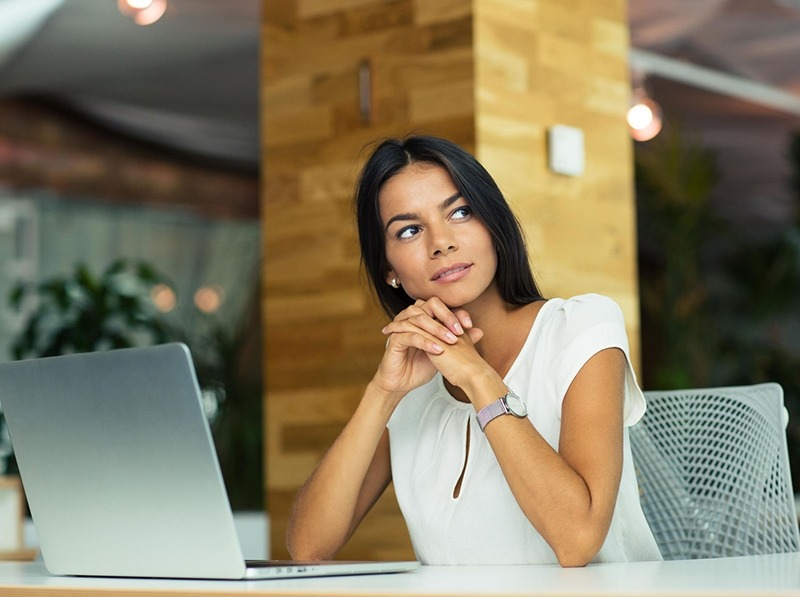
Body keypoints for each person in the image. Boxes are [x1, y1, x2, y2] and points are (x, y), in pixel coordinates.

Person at [286, 135, 662, 567]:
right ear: (389, 268)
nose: (441, 242)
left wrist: (478, 377)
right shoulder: (412, 386)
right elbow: (308, 547)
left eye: (460, 212)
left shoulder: (580, 329)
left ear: (493, 225)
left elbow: (577, 540)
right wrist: (382, 393)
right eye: (409, 230)